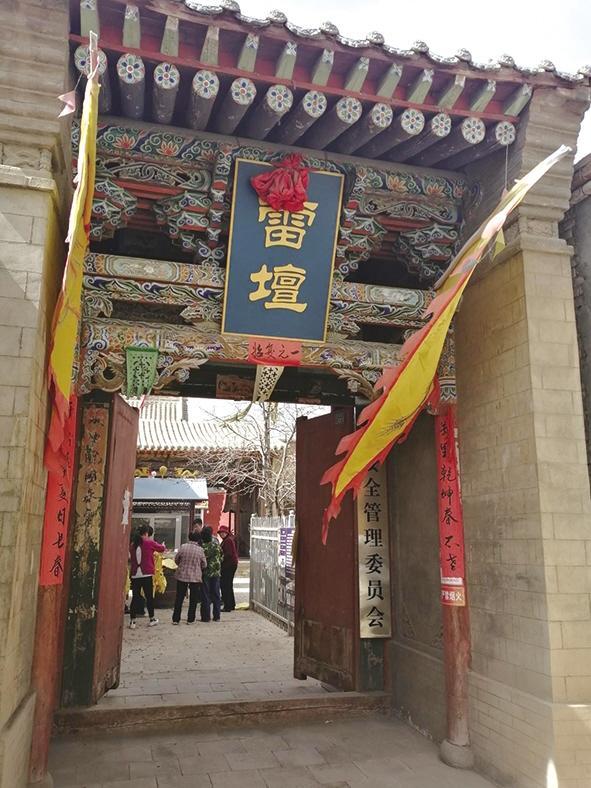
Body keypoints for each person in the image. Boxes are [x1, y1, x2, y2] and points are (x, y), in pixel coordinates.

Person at [129, 524, 166, 629]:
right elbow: (161, 549)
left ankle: (132, 621)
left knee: (135, 597)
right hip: (146, 573)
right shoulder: (149, 542)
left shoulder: (133, 544)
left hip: (135, 574)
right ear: (146, 533)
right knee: (149, 597)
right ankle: (152, 618)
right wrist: (163, 545)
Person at [173, 531, 207, 625]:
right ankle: (190, 619)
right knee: (193, 599)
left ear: (189, 537)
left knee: (179, 597)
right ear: (198, 539)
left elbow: (176, 559)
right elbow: (204, 564)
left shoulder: (183, 547)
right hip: (195, 577)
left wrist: (181, 565)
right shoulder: (200, 550)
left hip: (182, 575)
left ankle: (176, 619)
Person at [200, 526, 222, 622]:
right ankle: (217, 616)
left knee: (205, 594)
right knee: (216, 594)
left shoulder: (202, 546)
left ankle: (206, 617)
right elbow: (222, 555)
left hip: (205, 572)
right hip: (216, 571)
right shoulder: (216, 543)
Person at [218, 525, 238, 612]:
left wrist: (220, 559)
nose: (221, 534)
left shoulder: (228, 541)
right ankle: (231, 604)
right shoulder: (227, 540)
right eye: (220, 533)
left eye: (223, 532)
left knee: (225, 585)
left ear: (226, 533)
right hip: (230, 565)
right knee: (228, 585)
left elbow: (228, 554)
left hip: (228, 565)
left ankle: (227, 605)